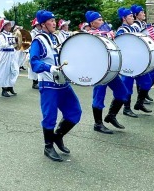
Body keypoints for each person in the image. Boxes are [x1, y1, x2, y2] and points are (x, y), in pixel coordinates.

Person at [30, 10, 81, 162]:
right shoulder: (38, 41)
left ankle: (58, 136)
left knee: (75, 112)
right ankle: (48, 146)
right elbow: (34, 62)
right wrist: (49, 68)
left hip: (62, 82)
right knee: (50, 117)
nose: (54, 23)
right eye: (51, 21)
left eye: (54, 21)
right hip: (48, 84)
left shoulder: (55, 37)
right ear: (43, 24)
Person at [86, 11, 129, 134]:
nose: (102, 21)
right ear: (92, 23)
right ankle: (98, 124)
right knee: (99, 97)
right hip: (99, 70)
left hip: (111, 69)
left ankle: (111, 115)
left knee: (122, 93)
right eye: (99, 20)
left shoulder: (106, 33)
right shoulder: (89, 36)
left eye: (101, 19)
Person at [116, 7, 152, 117]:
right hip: (127, 63)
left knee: (147, 82)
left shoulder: (134, 29)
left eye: (132, 16)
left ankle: (139, 103)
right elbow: (121, 46)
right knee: (127, 87)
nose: (132, 18)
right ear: (123, 18)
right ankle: (126, 109)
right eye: (130, 16)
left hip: (137, 62)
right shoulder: (121, 31)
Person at [0, 19, 19, 97]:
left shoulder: (11, 34)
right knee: (5, 72)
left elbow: (14, 44)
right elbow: (2, 45)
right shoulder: (1, 35)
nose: (10, 27)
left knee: (14, 71)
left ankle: (10, 86)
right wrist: (11, 42)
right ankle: (4, 89)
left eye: (10, 25)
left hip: (12, 54)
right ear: (4, 26)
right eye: (8, 25)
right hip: (5, 54)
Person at [28, 18, 42, 89]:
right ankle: (35, 82)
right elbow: (32, 42)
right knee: (34, 66)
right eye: (38, 24)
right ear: (36, 25)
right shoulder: (33, 33)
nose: (40, 25)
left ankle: (39, 81)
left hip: (41, 51)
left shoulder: (41, 32)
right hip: (35, 51)